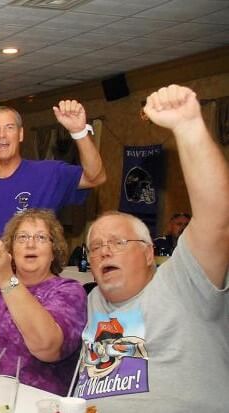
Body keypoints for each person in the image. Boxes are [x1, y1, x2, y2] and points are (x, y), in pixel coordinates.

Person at [73, 85, 228, 412]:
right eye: (96, 247)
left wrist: (189, 127)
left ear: (147, 252)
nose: (104, 252)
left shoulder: (181, 283)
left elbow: (218, 219)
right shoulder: (95, 300)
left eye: (117, 242)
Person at [0, 209, 87, 395]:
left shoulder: (68, 290)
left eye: (41, 238)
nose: (30, 244)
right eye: (22, 238)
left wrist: (7, 281)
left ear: (54, 252)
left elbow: (46, 346)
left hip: (34, 400)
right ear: (11, 251)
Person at [0, 100, 106, 236]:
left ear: (20, 134)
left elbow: (96, 177)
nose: (2, 135)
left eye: (10, 127)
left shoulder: (48, 173)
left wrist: (79, 132)